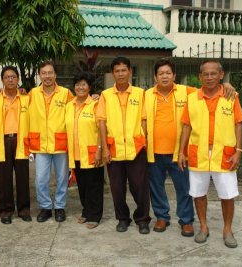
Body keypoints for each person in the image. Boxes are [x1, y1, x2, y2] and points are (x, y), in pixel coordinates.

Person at [143, 59, 235, 237]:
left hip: (180, 153)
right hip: (153, 152)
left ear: (174, 75)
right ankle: (162, 216)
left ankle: (186, 221)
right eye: (161, 73)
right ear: (155, 77)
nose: (164, 76)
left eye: (168, 73)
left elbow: (210, 89)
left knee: (184, 187)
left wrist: (226, 84)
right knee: (156, 187)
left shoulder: (187, 92)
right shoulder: (146, 95)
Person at [178, 59, 242, 248]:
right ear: (200, 76)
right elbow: (186, 127)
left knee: (227, 194)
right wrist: (181, 152)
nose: (209, 77)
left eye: (213, 73)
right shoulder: (192, 98)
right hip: (198, 153)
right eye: (205, 74)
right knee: (198, 193)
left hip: (224, 154)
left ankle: (227, 230)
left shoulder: (231, 96)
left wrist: (239, 151)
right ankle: (204, 227)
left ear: (221, 75)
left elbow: (238, 124)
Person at [97, 56, 151, 234]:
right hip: (114, 150)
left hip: (136, 149)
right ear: (112, 74)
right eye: (117, 71)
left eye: (124, 70)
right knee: (117, 189)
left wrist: (144, 141)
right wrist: (104, 148)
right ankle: (123, 218)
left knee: (140, 187)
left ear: (130, 72)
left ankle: (142, 219)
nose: (121, 74)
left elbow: (144, 119)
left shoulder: (140, 93)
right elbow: (102, 122)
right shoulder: (105, 95)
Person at [28, 61, 74, 223]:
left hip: (60, 143)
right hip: (40, 144)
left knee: (62, 178)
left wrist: (94, 97)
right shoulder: (32, 93)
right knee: (41, 178)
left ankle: (60, 207)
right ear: (40, 75)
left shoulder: (66, 93)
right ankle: (46, 207)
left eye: (50, 73)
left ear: (55, 75)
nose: (47, 76)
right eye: (44, 73)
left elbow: (78, 107)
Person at [0, 66, 31, 224]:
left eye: (13, 77)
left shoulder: (26, 98)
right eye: (7, 77)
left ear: (18, 79)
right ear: (2, 80)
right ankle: (6, 211)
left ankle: (24, 209)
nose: (10, 79)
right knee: (4, 178)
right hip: (2, 141)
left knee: (23, 177)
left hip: (21, 141)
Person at [65, 71, 104, 229]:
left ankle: (95, 215)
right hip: (76, 152)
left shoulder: (96, 104)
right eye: (78, 84)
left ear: (89, 87)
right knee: (82, 184)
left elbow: (102, 129)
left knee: (94, 185)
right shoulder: (69, 105)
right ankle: (86, 211)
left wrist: (100, 150)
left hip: (92, 151)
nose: (80, 87)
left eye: (84, 84)